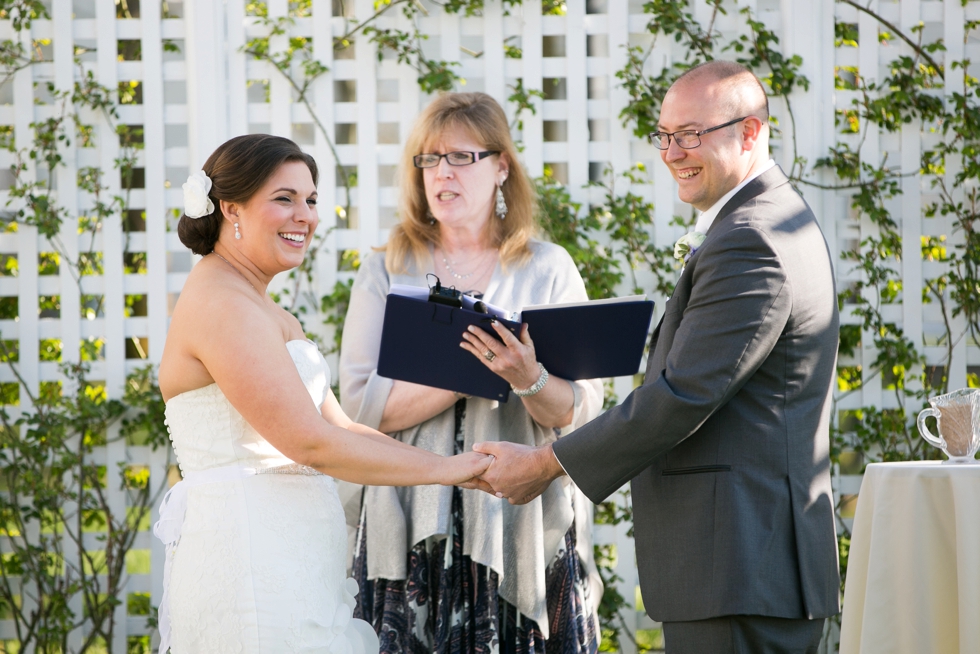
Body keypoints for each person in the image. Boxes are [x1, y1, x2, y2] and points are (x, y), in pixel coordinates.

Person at [475, 61, 841, 653]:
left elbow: (681, 396)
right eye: (666, 136)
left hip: (739, 564)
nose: (673, 152)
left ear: (750, 133)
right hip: (747, 565)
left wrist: (544, 464)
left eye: (692, 134)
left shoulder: (752, 239)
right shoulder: (769, 219)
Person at [155, 134, 490, 654]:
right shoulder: (220, 300)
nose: (306, 216)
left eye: (310, 200)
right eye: (284, 198)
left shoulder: (267, 308)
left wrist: (460, 465)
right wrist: (451, 472)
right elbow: (309, 443)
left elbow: (343, 430)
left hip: (293, 563)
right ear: (230, 208)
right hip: (248, 563)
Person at [338, 92, 602, 653]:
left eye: (461, 157)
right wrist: (474, 367)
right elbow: (360, 406)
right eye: (429, 160)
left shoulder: (547, 269)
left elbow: (579, 412)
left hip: (517, 524)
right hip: (408, 521)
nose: (442, 174)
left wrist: (527, 377)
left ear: (501, 165)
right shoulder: (387, 269)